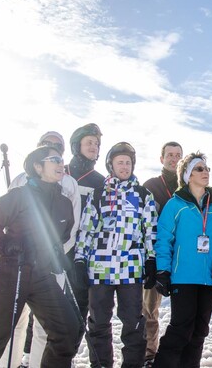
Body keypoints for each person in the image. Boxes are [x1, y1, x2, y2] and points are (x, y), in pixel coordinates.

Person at [0, 146, 81, 368]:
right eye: (53, 159)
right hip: (11, 271)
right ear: (37, 166)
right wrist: (5, 245)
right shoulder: (19, 196)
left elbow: (61, 235)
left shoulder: (64, 203)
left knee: (68, 331)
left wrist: (56, 253)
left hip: (42, 275)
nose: (60, 164)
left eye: (61, 160)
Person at [0, 131, 81, 368]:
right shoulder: (21, 179)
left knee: (48, 326)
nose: (53, 148)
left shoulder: (69, 183)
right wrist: (10, 249)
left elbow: (72, 226)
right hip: (17, 263)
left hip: (50, 262)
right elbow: (5, 214)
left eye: (57, 147)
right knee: (13, 320)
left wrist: (55, 253)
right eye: (47, 145)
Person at [74, 142, 158, 368]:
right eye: (120, 162)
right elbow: (87, 229)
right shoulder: (99, 194)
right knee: (99, 323)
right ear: (111, 165)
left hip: (131, 270)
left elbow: (150, 230)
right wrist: (80, 260)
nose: (124, 166)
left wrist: (151, 260)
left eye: (128, 162)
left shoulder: (143, 195)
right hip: (100, 268)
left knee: (133, 323)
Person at [152, 152, 212, 368]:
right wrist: (163, 270)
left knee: (200, 331)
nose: (205, 172)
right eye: (199, 169)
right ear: (186, 175)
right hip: (183, 277)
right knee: (181, 329)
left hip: (209, 278)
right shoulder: (176, 204)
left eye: (207, 168)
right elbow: (164, 239)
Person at [142, 141, 183, 367]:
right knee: (149, 309)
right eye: (170, 155)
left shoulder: (190, 185)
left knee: (183, 311)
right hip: (155, 255)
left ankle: (180, 353)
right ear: (162, 159)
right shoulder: (150, 186)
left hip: (183, 257)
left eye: (178, 155)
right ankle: (149, 353)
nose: (174, 159)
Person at [64, 122, 105, 351]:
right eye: (89, 142)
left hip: (84, 253)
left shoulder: (100, 181)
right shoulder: (60, 172)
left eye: (97, 144)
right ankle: (31, 355)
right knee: (47, 303)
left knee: (80, 304)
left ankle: (66, 353)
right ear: (76, 145)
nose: (93, 146)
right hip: (55, 247)